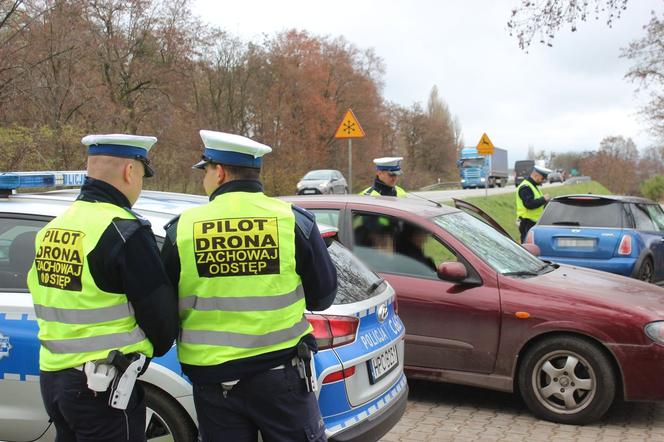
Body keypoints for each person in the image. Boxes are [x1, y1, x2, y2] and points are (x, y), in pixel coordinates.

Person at [160, 130, 338, 442]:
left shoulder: (182, 229)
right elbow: (323, 296)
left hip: (215, 384)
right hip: (282, 376)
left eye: (205, 171)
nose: (204, 179)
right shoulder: (293, 221)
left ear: (220, 173)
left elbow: (163, 308)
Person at [26, 134, 179, 441]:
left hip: (55, 380)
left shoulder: (53, 229)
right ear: (130, 171)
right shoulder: (125, 231)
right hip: (102, 385)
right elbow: (160, 319)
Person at [516, 164, 551, 243]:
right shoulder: (526, 187)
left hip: (533, 223)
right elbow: (529, 204)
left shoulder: (533, 186)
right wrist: (543, 199)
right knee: (527, 248)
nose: (543, 180)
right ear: (536, 175)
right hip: (527, 223)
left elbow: (538, 205)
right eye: (542, 178)